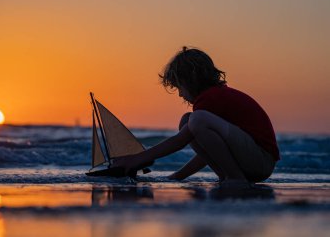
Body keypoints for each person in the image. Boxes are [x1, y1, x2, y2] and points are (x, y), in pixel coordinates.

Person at [113, 47, 280, 187]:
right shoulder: (212, 100)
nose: (179, 94)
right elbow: (212, 149)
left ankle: (236, 179)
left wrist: (137, 159)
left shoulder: (212, 98)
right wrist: (178, 176)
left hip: (261, 160)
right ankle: (228, 177)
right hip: (253, 161)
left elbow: (180, 140)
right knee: (188, 120)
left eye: (180, 87)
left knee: (196, 120)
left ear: (191, 81)